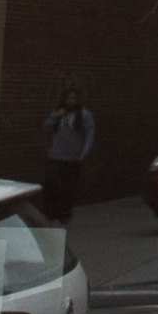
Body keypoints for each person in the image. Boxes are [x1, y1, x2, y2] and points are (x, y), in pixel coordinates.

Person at [42, 88, 96, 223]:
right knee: (53, 185)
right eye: (68, 98)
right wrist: (56, 116)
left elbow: (90, 134)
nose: (70, 101)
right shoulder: (59, 113)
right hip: (55, 156)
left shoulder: (84, 115)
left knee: (68, 186)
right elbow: (46, 126)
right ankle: (51, 212)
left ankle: (64, 213)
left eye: (73, 99)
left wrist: (84, 152)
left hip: (72, 157)